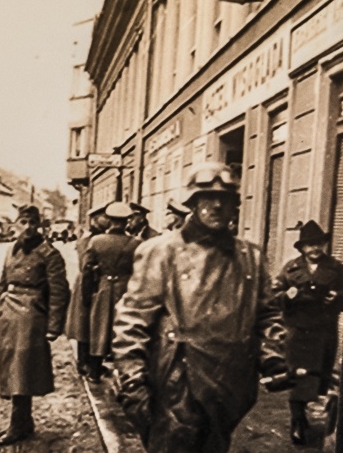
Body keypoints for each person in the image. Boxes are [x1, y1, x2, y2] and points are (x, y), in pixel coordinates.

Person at [113, 162, 290, 452]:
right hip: (176, 383)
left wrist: (274, 352)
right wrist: (132, 380)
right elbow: (132, 319)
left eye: (226, 200)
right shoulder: (161, 251)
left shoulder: (250, 256)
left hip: (231, 385)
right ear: (192, 204)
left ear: (236, 206)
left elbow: (266, 312)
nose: (217, 205)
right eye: (207, 198)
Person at [0, 205, 70, 446]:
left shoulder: (49, 253)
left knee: (21, 371)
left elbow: (58, 291)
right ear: (16, 224)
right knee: (9, 367)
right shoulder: (11, 249)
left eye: (33, 223)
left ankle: (17, 425)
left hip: (31, 315)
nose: (28, 228)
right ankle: (25, 421)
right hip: (7, 314)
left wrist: (55, 326)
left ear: (39, 225)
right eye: (23, 222)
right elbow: (2, 283)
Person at [272, 220, 343, 445]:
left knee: (319, 380)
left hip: (324, 333)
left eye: (319, 244)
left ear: (324, 245)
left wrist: (338, 298)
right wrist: (288, 295)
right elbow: (273, 297)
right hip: (297, 333)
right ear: (302, 248)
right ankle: (298, 421)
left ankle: (310, 417)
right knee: (298, 377)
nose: (315, 249)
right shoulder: (291, 268)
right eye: (310, 245)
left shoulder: (337, 268)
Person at [81, 201, 141, 383]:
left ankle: (94, 371)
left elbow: (87, 270)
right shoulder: (136, 243)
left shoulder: (96, 241)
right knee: (123, 330)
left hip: (103, 288)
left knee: (99, 329)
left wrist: (86, 295)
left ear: (108, 220)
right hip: (126, 289)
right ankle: (124, 375)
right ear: (127, 221)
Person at [65, 203, 110, 375]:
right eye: (104, 218)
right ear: (96, 220)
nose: (107, 221)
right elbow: (86, 264)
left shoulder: (98, 237)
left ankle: (92, 361)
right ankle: (84, 362)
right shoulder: (88, 239)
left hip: (95, 283)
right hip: (87, 282)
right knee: (84, 325)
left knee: (94, 324)